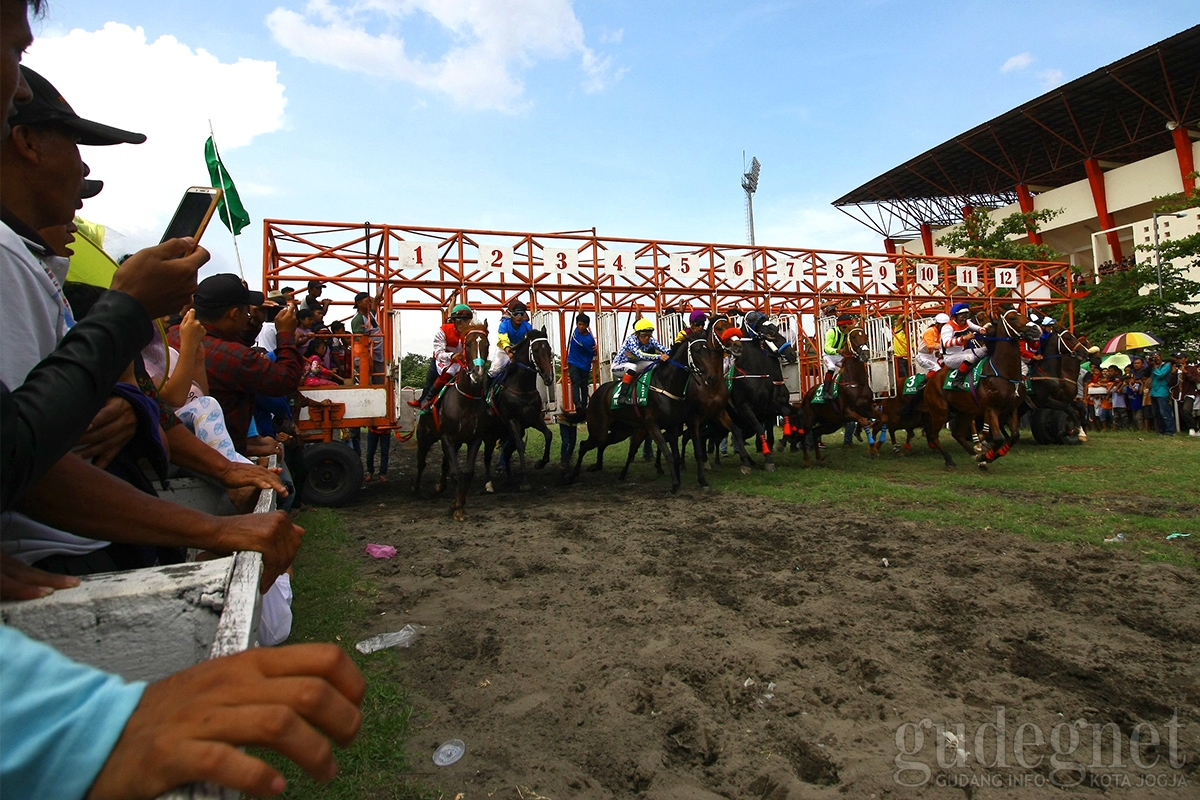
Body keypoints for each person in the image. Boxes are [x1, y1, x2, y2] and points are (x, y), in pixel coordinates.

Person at [171, 274, 305, 456]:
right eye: (246, 310)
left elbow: (226, 347)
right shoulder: (237, 358)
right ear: (234, 314)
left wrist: (254, 322)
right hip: (224, 452)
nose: (249, 313)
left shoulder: (175, 334)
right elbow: (285, 380)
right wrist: (286, 335)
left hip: (188, 445)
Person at [411, 303, 475, 409]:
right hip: (444, 360)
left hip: (462, 360)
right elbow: (438, 352)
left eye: (466, 321)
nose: (463, 324)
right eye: (460, 321)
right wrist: (452, 356)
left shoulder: (471, 332)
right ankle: (427, 399)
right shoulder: (443, 330)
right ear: (454, 321)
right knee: (445, 374)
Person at [560, 312, 596, 467]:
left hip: (584, 365)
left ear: (587, 326)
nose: (580, 327)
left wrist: (594, 349)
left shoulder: (588, 339)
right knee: (575, 382)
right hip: (574, 362)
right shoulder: (576, 334)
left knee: (583, 384)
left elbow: (592, 351)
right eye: (578, 324)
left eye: (583, 325)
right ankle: (579, 404)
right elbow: (592, 350)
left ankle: (583, 404)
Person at [612, 318, 668, 405]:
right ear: (637, 334)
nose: (647, 338)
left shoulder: (651, 340)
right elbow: (640, 355)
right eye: (644, 335)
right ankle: (622, 396)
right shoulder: (631, 340)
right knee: (632, 367)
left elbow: (664, 349)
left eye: (649, 335)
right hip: (619, 366)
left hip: (634, 364)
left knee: (654, 365)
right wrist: (659, 356)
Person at [489, 299, 532, 378]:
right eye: (516, 314)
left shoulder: (528, 326)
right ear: (511, 314)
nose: (519, 317)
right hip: (504, 350)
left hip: (520, 350)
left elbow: (528, 341)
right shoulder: (504, 325)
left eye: (521, 314)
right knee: (495, 370)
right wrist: (509, 353)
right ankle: (487, 389)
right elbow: (504, 341)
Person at [940, 303, 985, 378]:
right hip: (950, 357)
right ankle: (958, 380)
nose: (964, 319)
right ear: (954, 317)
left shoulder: (966, 323)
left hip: (961, 353)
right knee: (971, 358)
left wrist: (982, 330)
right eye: (962, 316)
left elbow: (976, 327)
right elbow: (946, 344)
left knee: (985, 350)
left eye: (966, 316)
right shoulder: (948, 327)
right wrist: (963, 338)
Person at [350, 291, 384, 384]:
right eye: (367, 301)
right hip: (366, 356)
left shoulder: (370, 315)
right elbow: (358, 337)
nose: (369, 303)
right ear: (359, 304)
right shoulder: (358, 319)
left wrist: (377, 297)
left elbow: (375, 304)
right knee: (367, 382)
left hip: (376, 355)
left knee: (379, 381)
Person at [821, 314, 855, 395]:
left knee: (850, 366)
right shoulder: (831, 332)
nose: (847, 330)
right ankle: (825, 391)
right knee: (831, 367)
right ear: (841, 326)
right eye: (845, 327)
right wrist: (838, 350)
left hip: (839, 356)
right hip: (828, 356)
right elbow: (827, 348)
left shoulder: (848, 334)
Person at [1148, 352, 1175, 435]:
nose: (1156, 359)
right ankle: (1161, 430)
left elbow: (1160, 375)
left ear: (1161, 357)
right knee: (1157, 413)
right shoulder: (1153, 367)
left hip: (1162, 391)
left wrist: (1155, 367)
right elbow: (1151, 377)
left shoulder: (1166, 365)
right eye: (1153, 358)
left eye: (1157, 357)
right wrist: (1151, 364)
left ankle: (1169, 431)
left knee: (1164, 412)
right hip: (1154, 391)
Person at [891, 318, 909, 382]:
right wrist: (907, 314)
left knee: (909, 376)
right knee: (903, 377)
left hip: (908, 359)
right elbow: (900, 318)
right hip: (899, 359)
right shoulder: (898, 331)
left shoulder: (910, 336)